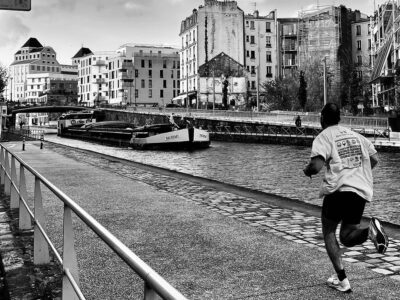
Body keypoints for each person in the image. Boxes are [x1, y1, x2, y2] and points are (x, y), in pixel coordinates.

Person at [303, 103, 389, 293]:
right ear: (339, 118)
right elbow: (374, 159)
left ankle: (342, 280)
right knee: (347, 236)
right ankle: (370, 232)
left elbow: (316, 166)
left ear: (322, 120)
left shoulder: (323, 136)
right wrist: (357, 172)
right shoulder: (356, 136)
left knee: (329, 232)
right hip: (359, 192)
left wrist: (307, 170)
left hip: (338, 190)